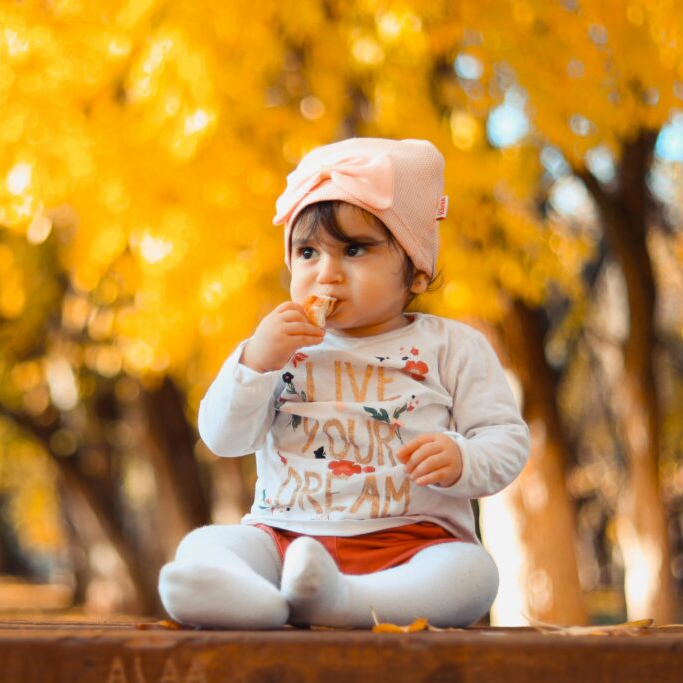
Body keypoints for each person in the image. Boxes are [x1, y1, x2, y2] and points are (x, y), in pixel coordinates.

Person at [158, 138, 531, 629]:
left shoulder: (452, 347)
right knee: (205, 544)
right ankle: (258, 603)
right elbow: (222, 438)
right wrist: (253, 363)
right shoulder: (276, 347)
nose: (327, 274)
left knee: (472, 574)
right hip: (284, 539)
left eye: (354, 250)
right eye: (308, 252)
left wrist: (463, 457)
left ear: (416, 271)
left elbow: (506, 440)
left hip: (411, 542)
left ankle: (345, 601)